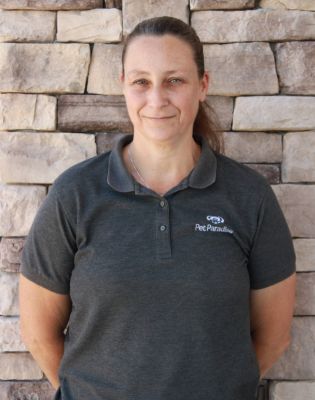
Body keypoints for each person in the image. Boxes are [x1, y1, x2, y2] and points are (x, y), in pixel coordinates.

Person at [19, 16, 296, 400]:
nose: (156, 99)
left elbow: (274, 337)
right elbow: (38, 332)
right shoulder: (75, 194)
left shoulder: (249, 197)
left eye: (174, 80)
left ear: (203, 85)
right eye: (141, 82)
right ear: (124, 88)